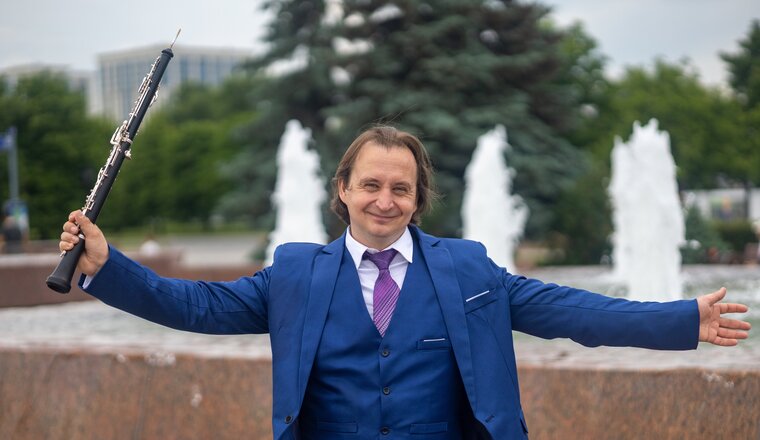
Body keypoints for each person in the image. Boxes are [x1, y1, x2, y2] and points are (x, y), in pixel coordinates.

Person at [59, 126, 751, 440]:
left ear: (419, 198)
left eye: (401, 188)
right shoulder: (297, 272)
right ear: (342, 190)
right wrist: (107, 267)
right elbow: (196, 306)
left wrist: (679, 319)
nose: (384, 200)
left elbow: (569, 310)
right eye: (371, 185)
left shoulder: (468, 269)